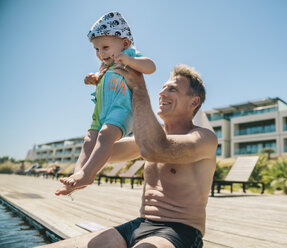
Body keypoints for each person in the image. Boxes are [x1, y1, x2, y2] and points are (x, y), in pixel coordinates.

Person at [45, 64, 217, 248]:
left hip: (181, 230)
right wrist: (105, 96)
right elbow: (101, 148)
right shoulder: (147, 140)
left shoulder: (204, 138)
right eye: (163, 88)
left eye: (172, 89)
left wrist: (138, 88)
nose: (162, 93)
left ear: (194, 102)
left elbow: (155, 149)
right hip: (140, 224)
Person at [58, 12, 156, 189]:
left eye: (105, 47)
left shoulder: (129, 54)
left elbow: (151, 66)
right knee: (89, 140)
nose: (100, 53)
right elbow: (105, 79)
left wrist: (129, 59)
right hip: (100, 112)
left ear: (124, 43)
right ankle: (78, 173)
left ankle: (88, 174)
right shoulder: (105, 66)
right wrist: (94, 78)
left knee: (104, 136)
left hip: (122, 109)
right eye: (96, 49)